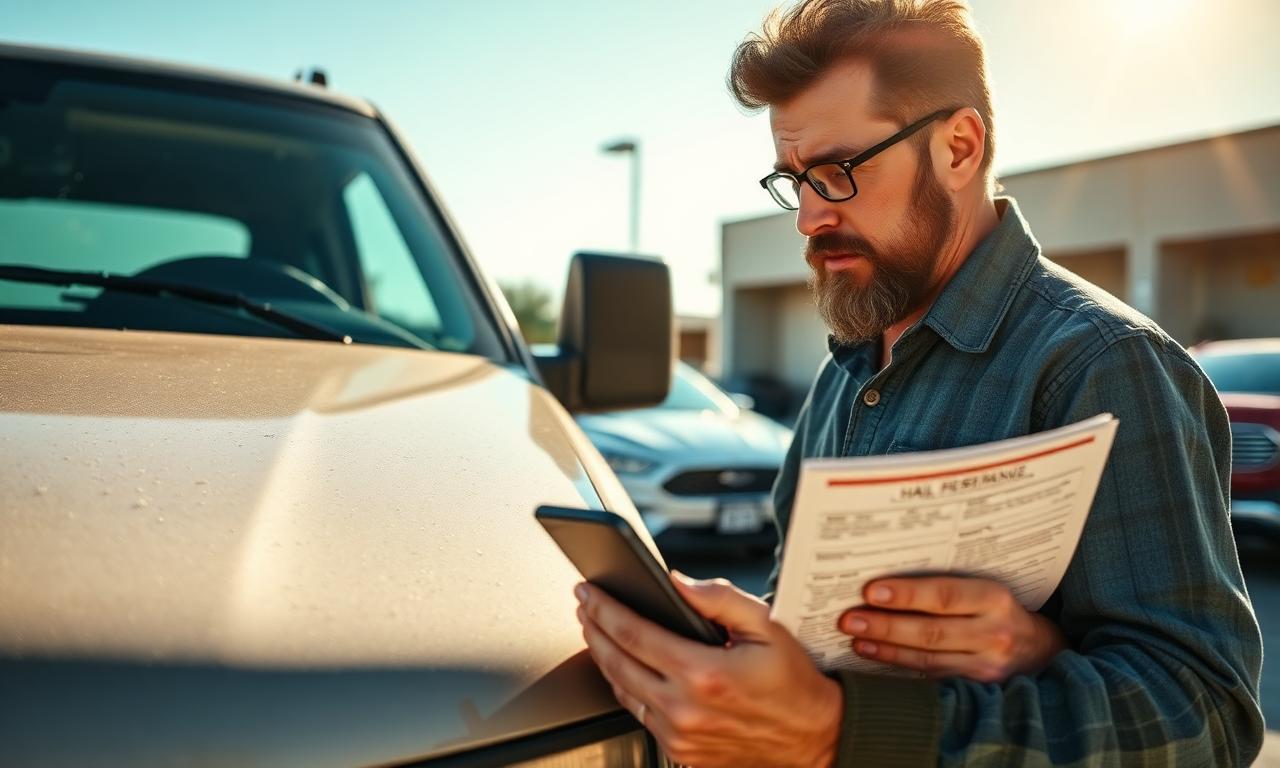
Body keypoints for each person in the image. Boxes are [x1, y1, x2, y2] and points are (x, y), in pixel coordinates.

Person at [573, 0, 1265, 765]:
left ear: (959, 148)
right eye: (792, 179)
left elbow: (1206, 717)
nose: (807, 218)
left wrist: (844, 730)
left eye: (837, 173)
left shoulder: (1103, 363)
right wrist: (743, 656)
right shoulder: (846, 370)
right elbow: (814, 635)